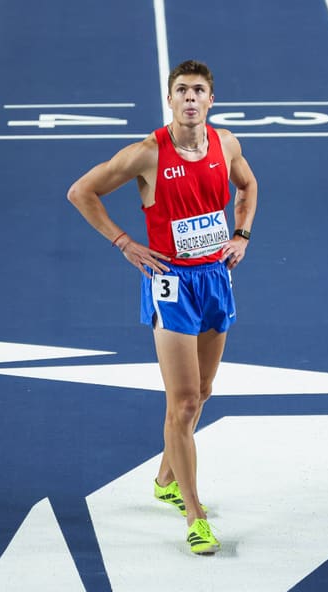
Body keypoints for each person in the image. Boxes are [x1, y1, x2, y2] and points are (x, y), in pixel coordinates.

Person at [67, 59, 257, 555]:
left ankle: (166, 478)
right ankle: (195, 515)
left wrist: (241, 234)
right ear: (169, 100)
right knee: (185, 400)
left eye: (198, 90)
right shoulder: (147, 153)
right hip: (169, 281)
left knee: (206, 389)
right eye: (181, 90)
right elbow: (81, 191)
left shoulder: (227, 143)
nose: (190, 98)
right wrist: (124, 242)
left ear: (211, 101)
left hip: (216, 276)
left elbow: (249, 186)